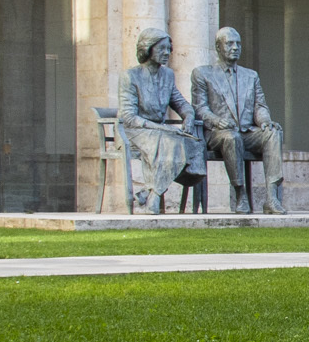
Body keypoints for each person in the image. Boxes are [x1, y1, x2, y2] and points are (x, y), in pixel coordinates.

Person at [192, 26, 286, 215]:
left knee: (273, 132)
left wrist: (265, 121)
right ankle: (240, 194)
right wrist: (217, 121)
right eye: (230, 44)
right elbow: (200, 108)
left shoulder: (251, 76)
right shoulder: (202, 73)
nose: (235, 47)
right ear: (218, 47)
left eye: (238, 44)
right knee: (231, 137)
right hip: (218, 133)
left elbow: (259, 106)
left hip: (247, 132)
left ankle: (271, 197)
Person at [116, 27, 204, 214]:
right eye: (162, 48)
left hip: (158, 133)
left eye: (168, 49)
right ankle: (154, 197)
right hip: (134, 132)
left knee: (193, 143)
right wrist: (159, 128)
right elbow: (128, 117)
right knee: (169, 142)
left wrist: (188, 117)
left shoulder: (168, 75)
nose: (167, 53)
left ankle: (148, 193)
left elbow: (181, 103)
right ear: (148, 49)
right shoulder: (130, 76)